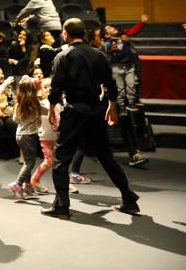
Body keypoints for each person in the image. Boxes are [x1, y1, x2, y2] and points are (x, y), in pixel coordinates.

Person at [41, 18, 140, 220]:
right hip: (96, 110)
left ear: (65, 34)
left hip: (75, 111)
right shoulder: (99, 55)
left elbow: (56, 86)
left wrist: (52, 109)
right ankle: (129, 200)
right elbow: (111, 84)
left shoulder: (64, 55)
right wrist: (112, 106)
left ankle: (62, 206)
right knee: (106, 157)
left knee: (61, 159)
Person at [103, 16, 149, 167]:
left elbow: (134, 30)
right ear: (106, 35)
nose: (114, 28)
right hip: (117, 67)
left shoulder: (124, 36)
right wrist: (109, 50)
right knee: (121, 91)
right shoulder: (108, 44)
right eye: (110, 29)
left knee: (130, 88)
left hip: (127, 66)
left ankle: (130, 104)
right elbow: (105, 55)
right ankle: (122, 107)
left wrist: (142, 22)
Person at [7, 76, 43, 199]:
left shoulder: (19, 103)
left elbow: (15, 119)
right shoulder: (35, 103)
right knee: (30, 162)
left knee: (28, 161)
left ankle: (27, 186)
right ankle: (17, 184)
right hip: (29, 136)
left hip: (20, 134)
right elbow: (42, 115)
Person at [30, 78, 57, 194]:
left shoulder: (57, 104)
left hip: (56, 136)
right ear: (41, 90)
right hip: (46, 136)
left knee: (62, 160)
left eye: (50, 87)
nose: (49, 89)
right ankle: (34, 180)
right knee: (49, 161)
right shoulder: (41, 104)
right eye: (45, 87)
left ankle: (67, 182)